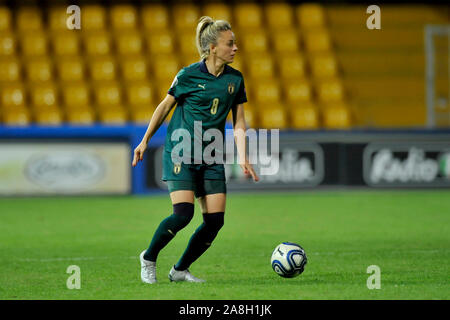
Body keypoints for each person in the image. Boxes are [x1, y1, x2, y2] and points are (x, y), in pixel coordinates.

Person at [132, 16, 259, 284]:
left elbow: (238, 122)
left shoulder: (235, 79)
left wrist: (243, 155)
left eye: (235, 43)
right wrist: (144, 140)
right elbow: (164, 107)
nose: (235, 48)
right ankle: (149, 257)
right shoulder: (188, 75)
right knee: (183, 214)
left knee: (215, 221)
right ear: (212, 47)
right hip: (182, 152)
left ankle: (179, 270)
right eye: (230, 43)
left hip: (211, 155)